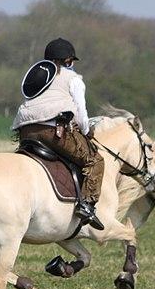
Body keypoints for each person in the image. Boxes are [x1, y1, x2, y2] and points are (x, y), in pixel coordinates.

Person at [12, 38, 105, 230]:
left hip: (25, 130)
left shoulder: (38, 78)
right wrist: (87, 132)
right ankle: (86, 206)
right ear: (69, 60)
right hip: (53, 131)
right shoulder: (74, 80)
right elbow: (81, 114)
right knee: (95, 160)